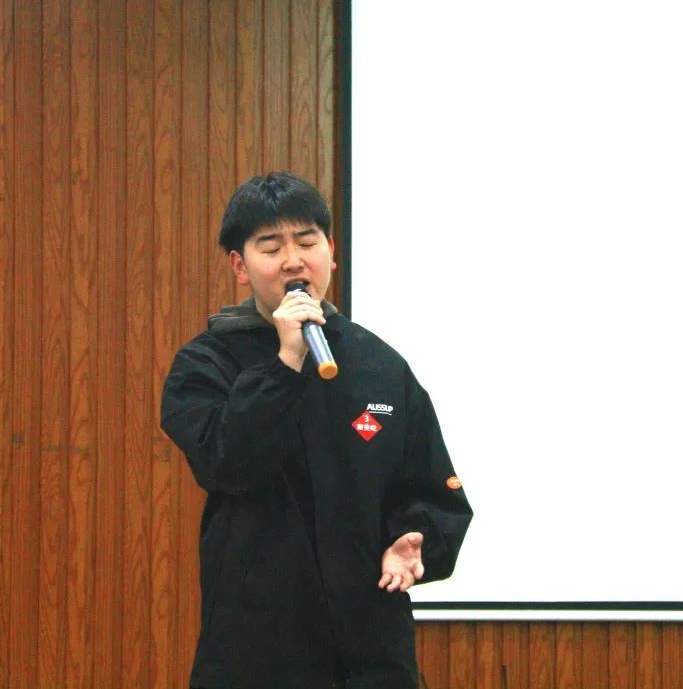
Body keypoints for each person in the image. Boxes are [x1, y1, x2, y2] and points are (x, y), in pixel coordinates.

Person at [161, 172, 473, 689]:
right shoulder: (206, 363)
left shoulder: (379, 364)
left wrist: (411, 538)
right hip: (257, 650)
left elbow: (434, 491)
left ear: (331, 253)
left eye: (307, 242)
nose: (293, 260)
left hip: (371, 650)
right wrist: (286, 361)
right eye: (271, 247)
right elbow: (228, 464)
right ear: (240, 266)